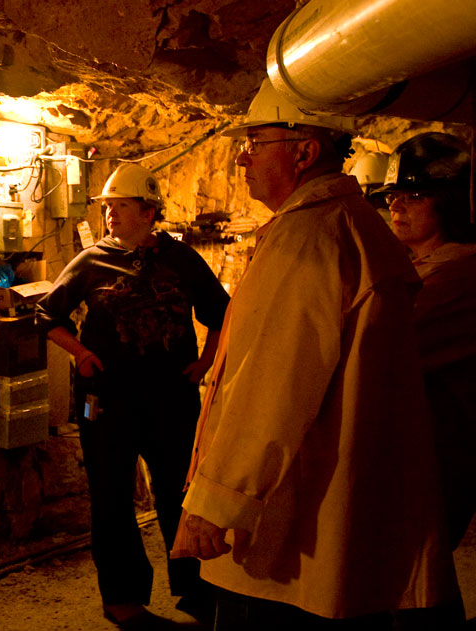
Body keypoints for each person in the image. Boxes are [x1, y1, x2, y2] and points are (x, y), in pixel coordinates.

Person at [169, 79, 462, 629]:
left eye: (256, 142)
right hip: (335, 498)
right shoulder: (350, 227)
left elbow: (272, 385)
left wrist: (218, 499)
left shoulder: (310, 238)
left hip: (293, 522)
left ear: (304, 151)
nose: (241, 158)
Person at [37, 163, 229, 627]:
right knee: (111, 496)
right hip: (104, 402)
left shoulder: (181, 260)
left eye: (121, 208)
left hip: (171, 398)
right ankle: (122, 600)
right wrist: (80, 352)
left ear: (148, 211)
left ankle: (195, 591)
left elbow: (222, 312)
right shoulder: (91, 261)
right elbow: (48, 315)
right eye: (108, 209)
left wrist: (205, 363)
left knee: (179, 494)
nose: (111, 217)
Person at [378, 131, 476, 549]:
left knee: (413, 572)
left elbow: (383, 351)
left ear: (449, 201)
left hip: (441, 455)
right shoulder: (425, 268)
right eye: (393, 196)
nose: (396, 206)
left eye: (413, 196)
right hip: (425, 450)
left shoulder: (457, 276)